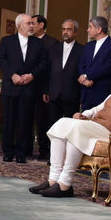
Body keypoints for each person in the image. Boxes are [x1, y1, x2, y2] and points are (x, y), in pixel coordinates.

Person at [29, 54, 111, 197]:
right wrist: (85, 115)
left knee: (75, 128)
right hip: (98, 125)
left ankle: (65, 183)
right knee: (63, 123)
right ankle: (55, 181)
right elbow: (101, 107)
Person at [0, 13, 46, 163]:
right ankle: (8, 152)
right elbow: (1, 60)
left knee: (25, 122)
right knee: (8, 122)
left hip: (29, 88)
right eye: (28, 23)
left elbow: (43, 63)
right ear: (19, 26)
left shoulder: (38, 43)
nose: (32, 26)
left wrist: (32, 75)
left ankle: (21, 153)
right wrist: (12, 75)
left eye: (32, 23)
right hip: (10, 87)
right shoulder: (7, 41)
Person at [41, 19, 84, 161]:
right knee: (53, 127)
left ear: (75, 32)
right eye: (63, 29)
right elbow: (48, 71)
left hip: (72, 94)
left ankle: (69, 158)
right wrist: (46, 90)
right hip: (54, 93)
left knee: (70, 129)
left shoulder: (82, 50)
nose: (65, 32)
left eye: (69, 29)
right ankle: (53, 157)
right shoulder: (54, 48)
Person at [28, 14, 59, 158]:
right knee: (26, 119)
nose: (31, 26)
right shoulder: (28, 41)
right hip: (27, 86)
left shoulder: (52, 43)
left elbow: (51, 68)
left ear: (41, 25)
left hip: (43, 88)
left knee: (43, 121)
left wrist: (47, 89)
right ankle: (26, 148)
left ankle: (44, 150)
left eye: (33, 23)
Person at [77, 16, 111, 110]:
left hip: (102, 94)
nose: (87, 30)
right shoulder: (88, 46)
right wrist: (84, 80)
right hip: (86, 94)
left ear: (98, 29)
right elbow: (81, 65)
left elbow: (107, 69)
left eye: (90, 27)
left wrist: (86, 76)